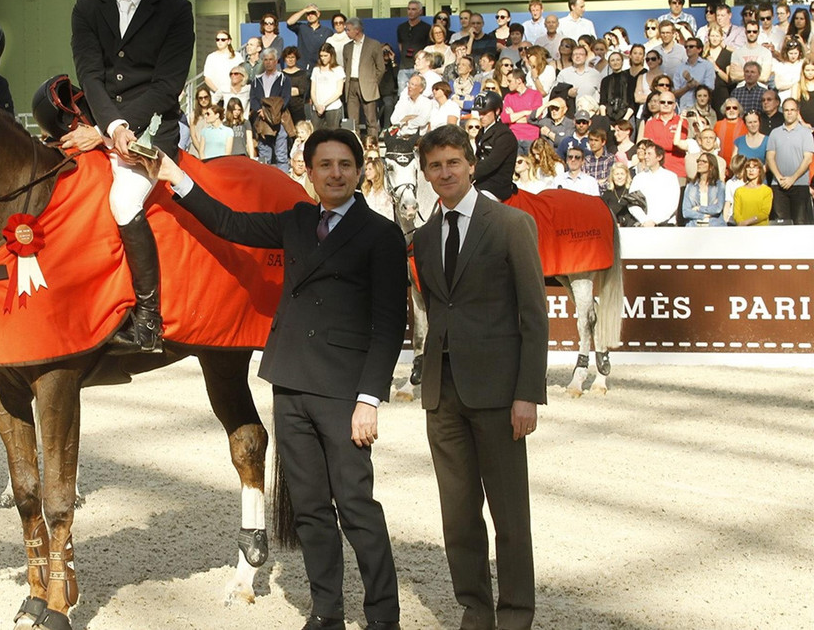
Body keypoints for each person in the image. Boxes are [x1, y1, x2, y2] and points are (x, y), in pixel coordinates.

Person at [153, 128, 407, 630]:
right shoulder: (297, 221)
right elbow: (228, 223)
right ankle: (326, 612)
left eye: (344, 165)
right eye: (325, 165)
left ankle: (383, 616)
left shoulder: (381, 234)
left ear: (359, 172)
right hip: (290, 383)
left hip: (343, 392)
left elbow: (390, 325)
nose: (335, 174)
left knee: (357, 508)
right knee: (310, 509)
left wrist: (369, 398)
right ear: (308, 174)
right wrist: (175, 179)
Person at [411, 123, 547, 630]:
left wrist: (528, 394)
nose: (444, 172)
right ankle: (475, 608)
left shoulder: (510, 224)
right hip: (441, 396)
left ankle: (515, 613)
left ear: (470, 165)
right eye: (434, 165)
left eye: (452, 162)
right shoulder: (424, 239)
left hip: (499, 394)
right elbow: (435, 310)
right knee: (458, 515)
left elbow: (534, 315)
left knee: (510, 515)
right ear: (425, 174)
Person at [68, 0, 194, 353]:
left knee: (123, 200)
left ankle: (148, 317)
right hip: (101, 124)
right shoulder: (86, 8)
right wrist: (110, 128)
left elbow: (167, 85)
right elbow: (90, 75)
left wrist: (121, 131)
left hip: (153, 132)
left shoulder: (177, 10)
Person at [766, 98, 814, 224]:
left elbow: (808, 158)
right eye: (786, 110)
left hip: (800, 184)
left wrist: (792, 178)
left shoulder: (806, 133)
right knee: (781, 224)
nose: (789, 113)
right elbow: (770, 157)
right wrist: (779, 177)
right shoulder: (775, 133)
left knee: (800, 223)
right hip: (778, 185)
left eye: (792, 110)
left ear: (797, 112)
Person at [470, 90, 518, 200]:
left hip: (496, 186)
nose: (481, 117)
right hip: (481, 181)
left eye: (485, 113)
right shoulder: (481, 132)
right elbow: (477, 157)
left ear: (497, 111)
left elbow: (491, 163)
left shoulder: (504, 135)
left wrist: (469, 173)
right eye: (480, 113)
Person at [343, 18, 385, 140]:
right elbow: (346, 67)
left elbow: (381, 68)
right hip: (351, 85)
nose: (346, 32)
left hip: (368, 86)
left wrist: (373, 83)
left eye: (348, 30)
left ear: (357, 30)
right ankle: (355, 148)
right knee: (352, 122)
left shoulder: (373, 44)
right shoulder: (347, 47)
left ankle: (372, 149)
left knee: (371, 121)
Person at [251, 48, 293, 172]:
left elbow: (285, 98)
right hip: (262, 121)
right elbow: (253, 99)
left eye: (271, 60)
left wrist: (271, 112)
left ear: (276, 61)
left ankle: (283, 184)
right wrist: (260, 111)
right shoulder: (256, 80)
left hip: (279, 120)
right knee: (264, 156)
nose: (268, 62)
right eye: (266, 60)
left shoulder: (284, 79)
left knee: (281, 155)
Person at [628, 140, 680, 226]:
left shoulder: (670, 177)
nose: (646, 157)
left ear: (659, 157)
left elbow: (673, 204)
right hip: (644, 225)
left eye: (649, 154)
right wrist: (644, 220)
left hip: (666, 226)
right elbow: (633, 202)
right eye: (645, 154)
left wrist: (655, 221)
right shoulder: (638, 178)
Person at [502, 69, 543, 155]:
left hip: (531, 138)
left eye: (510, 81)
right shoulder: (508, 97)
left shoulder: (535, 94)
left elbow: (535, 116)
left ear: (519, 80)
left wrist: (513, 116)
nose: (507, 84)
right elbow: (505, 118)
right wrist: (524, 112)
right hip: (514, 137)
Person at [681, 152, 727, 226]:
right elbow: (685, 212)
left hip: (714, 227)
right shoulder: (690, 186)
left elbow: (718, 208)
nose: (700, 163)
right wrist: (704, 216)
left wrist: (698, 208)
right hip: (694, 227)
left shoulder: (719, 185)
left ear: (711, 166)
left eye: (704, 161)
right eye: (698, 161)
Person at [286, 5, 335, 73]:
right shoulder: (302, 27)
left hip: (319, 68)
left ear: (318, 14)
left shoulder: (327, 31)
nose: (310, 15)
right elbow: (289, 22)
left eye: (313, 13)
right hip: (302, 67)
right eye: (308, 14)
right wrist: (304, 10)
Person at [397, 0, 432, 90]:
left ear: (420, 11)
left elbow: (428, 48)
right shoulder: (401, 27)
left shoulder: (426, 28)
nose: (410, 12)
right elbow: (400, 45)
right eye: (409, 9)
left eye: (413, 9)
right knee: (403, 96)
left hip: (419, 68)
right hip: (403, 67)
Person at [310, 43, 346, 131]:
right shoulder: (316, 70)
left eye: (326, 56)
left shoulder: (338, 70)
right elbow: (312, 91)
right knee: (315, 133)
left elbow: (339, 91)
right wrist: (317, 105)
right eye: (321, 56)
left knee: (333, 133)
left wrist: (324, 105)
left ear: (331, 55)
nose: (323, 58)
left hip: (333, 107)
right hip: (317, 108)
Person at [732, 157, 773, 225]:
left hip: (760, 229)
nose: (751, 170)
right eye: (748, 167)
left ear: (760, 171)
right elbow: (736, 213)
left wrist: (748, 222)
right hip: (743, 229)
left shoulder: (766, 191)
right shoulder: (739, 191)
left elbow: (765, 213)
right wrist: (742, 223)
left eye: (754, 167)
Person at [203, 30, 242, 95]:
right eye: (217, 39)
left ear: (229, 41)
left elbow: (242, 75)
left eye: (223, 39)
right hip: (216, 96)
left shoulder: (237, 56)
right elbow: (207, 78)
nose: (220, 42)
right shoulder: (211, 57)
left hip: (233, 95)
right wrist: (218, 92)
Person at [282, 46, 311, 125]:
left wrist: (286, 91)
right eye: (288, 57)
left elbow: (301, 90)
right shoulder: (280, 74)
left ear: (296, 58)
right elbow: (279, 91)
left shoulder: (302, 74)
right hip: (284, 108)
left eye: (292, 57)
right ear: (284, 59)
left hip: (298, 109)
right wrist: (292, 90)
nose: (290, 60)